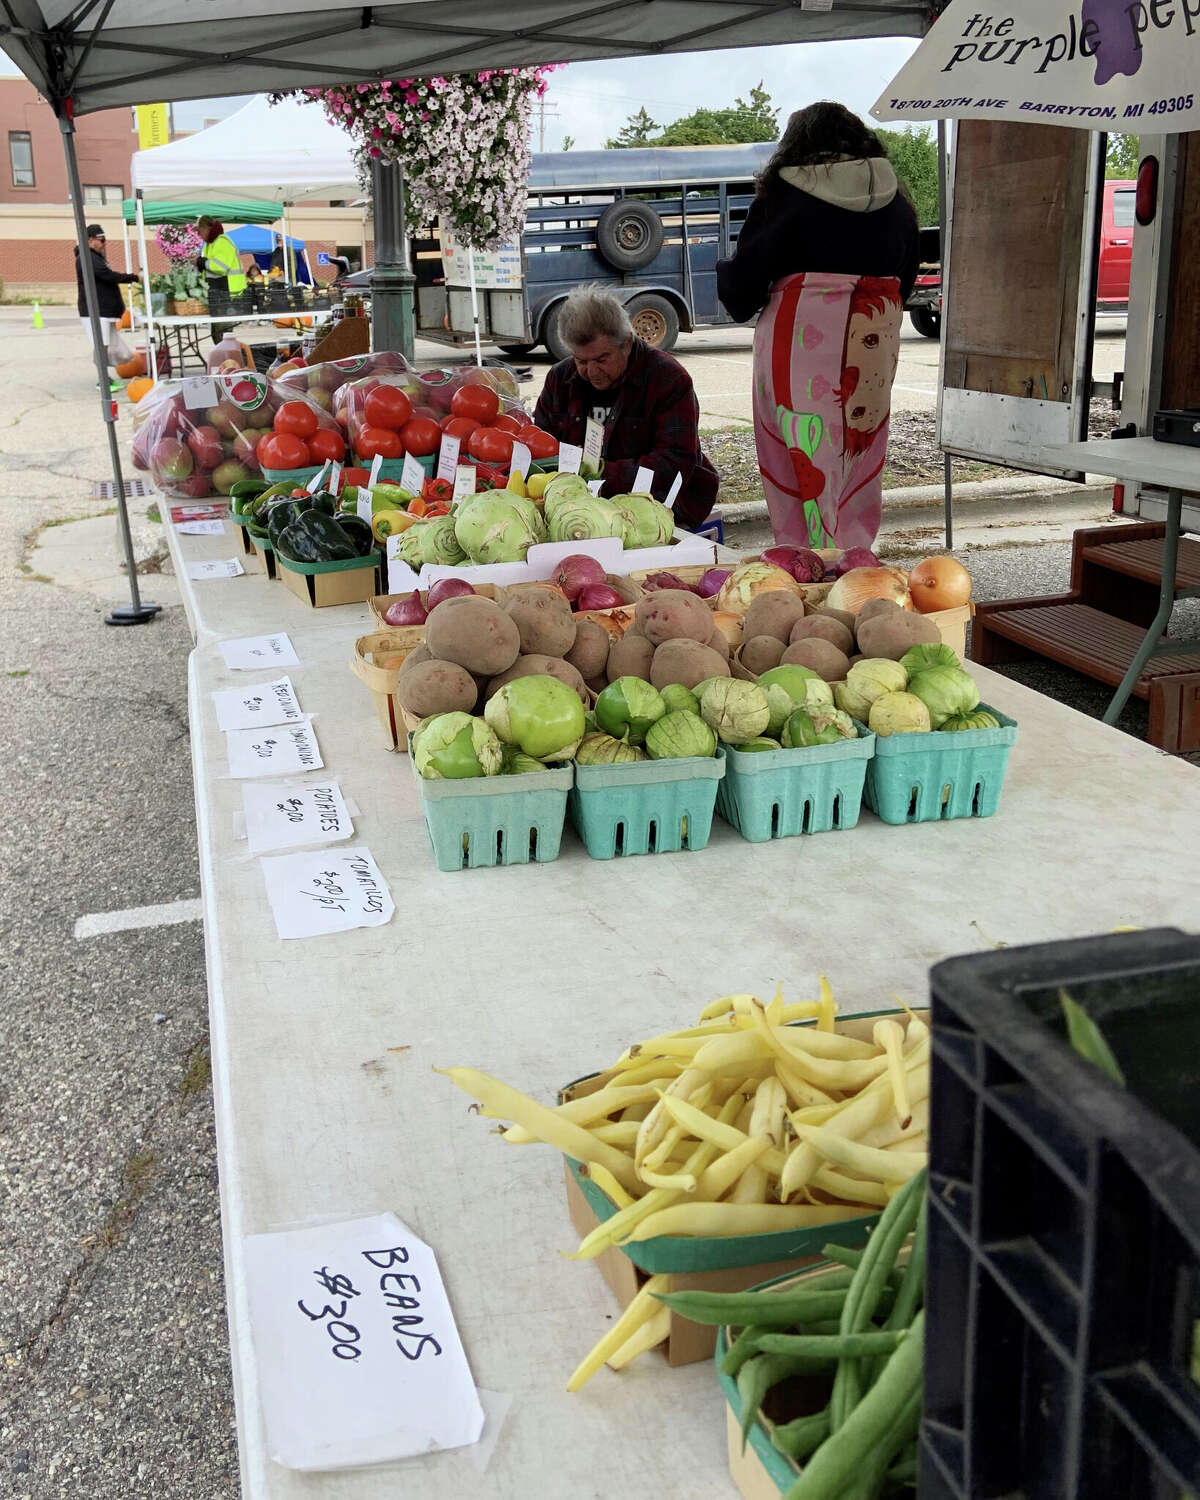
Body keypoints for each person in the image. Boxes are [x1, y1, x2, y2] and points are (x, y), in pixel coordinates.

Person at [716, 102, 919, 552]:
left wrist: (726, 271)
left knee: (799, 452)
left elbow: (743, 288)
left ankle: (806, 562)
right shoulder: (896, 202)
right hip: (874, 337)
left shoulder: (785, 197)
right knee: (858, 453)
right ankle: (854, 556)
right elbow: (905, 279)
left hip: (803, 338)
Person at [533, 285, 718, 532]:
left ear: (627, 344)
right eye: (581, 361)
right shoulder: (560, 378)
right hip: (576, 509)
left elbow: (675, 463)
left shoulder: (668, 378)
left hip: (658, 506)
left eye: (601, 359)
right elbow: (541, 446)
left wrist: (600, 472)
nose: (591, 371)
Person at [74, 223, 138, 393]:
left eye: (105, 240)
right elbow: (108, 276)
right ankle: (103, 380)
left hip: (103, 310)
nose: (104, 243)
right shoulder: (87, 258)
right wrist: (133, 277)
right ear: (90, 240)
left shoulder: (95, 257)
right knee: (101, 345)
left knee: (105, 345)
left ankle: (104, 377)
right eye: (101, 240)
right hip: (95, 310)